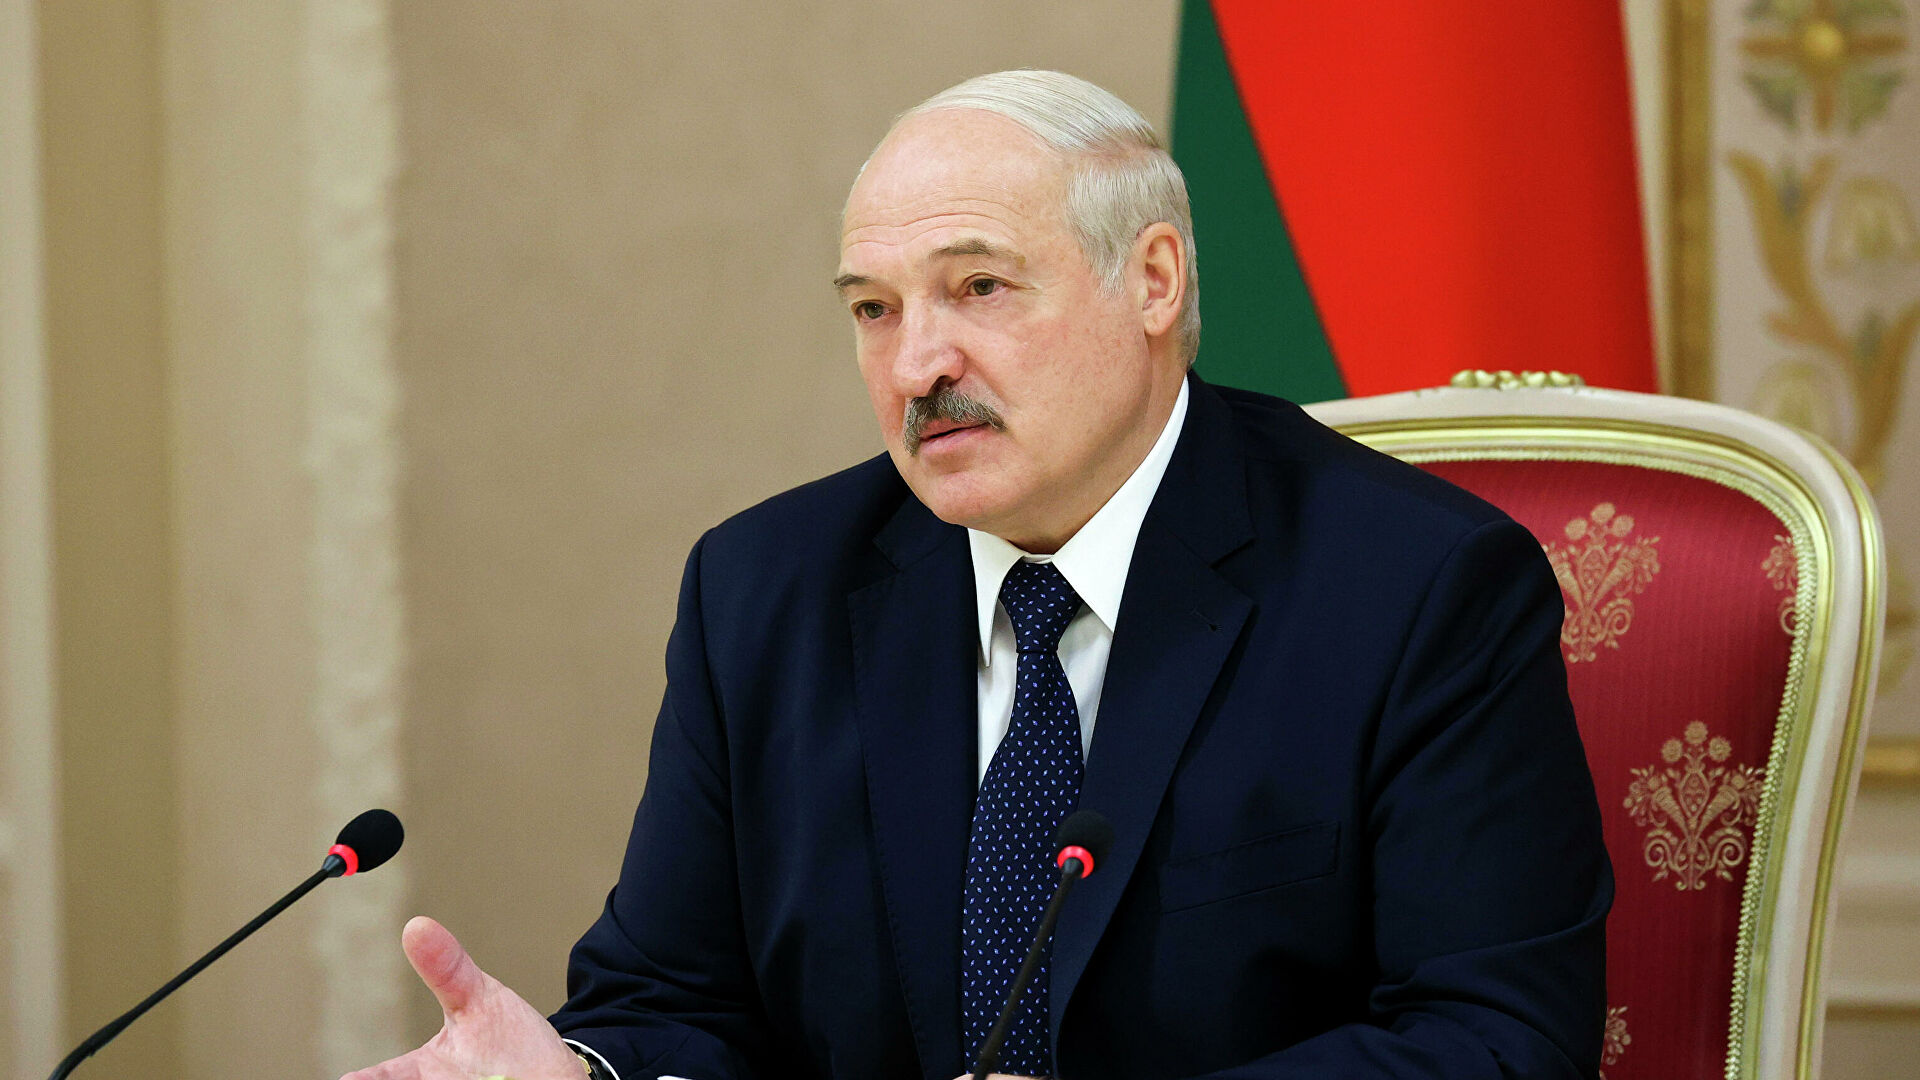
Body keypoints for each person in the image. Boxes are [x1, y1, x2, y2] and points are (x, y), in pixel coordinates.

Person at [343, 70, 1610, 1080]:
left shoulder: (1416, 588)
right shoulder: (764, 594)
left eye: (978, 287)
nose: (916, 366)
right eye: (874, 310)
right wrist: (585, 1074)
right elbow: (674, 1001)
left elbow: (1495, 1037)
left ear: (1153, 281)